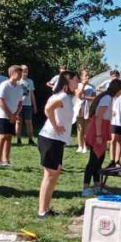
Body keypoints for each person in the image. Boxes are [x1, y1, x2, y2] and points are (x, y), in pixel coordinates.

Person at [36, 72, 79, 217]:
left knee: (54, 173)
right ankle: (42, 211)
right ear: (68, 81)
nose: (78, 83)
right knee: (50, 174)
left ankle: (46, 209)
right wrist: (55, 125)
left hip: (56, 140)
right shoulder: (62, 97)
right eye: (76, 80)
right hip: (50, 138)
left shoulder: (66, 97)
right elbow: (48, 109)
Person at [82, 78, 121, 195]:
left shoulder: (109, 98)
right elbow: (99, 117)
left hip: (103, 128)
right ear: (117, 89)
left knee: (100, 159)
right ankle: (85, 188)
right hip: (98, 129)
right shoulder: (107, 98)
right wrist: (98, 135)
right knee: (93, 160)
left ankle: (97, 186)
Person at [0, 64, 24, 168]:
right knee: (2, 136)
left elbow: (20, 103)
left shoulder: (19, 87)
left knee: (9, 137)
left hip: (13, 116)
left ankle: (6, 160)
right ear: (12, 73)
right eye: (19, 73)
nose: (21, 75)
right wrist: (10, 114)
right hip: (2, 115)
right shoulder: (4, 85)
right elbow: (0, 100)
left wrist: (15, 114)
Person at [16, 66, 37, 146]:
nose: (25, 71)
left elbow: (32, 94)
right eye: (24, 70)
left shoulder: (30, 81)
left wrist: (34, 106)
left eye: (27, 70)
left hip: (28, 105)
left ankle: (30, 140)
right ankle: (18, 140)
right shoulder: (17, 81)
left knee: (29, 122)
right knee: (18, 122)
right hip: (18, 105)